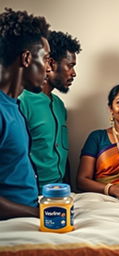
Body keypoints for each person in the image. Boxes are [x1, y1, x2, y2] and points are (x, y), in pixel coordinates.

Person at [0, 8, 51, 219]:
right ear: (27, 58)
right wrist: (37, 213)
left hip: (29, 211)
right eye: (46, 59)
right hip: (14, 225)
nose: (49, 68)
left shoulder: (15, 106)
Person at [19, 31, 81, 193]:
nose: (73, 73)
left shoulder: (59, 105)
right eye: (70, 65)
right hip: (31, 195)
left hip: (59, 192)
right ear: (50, 64)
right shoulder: (22, 101)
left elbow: (62, 154)